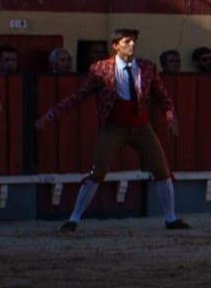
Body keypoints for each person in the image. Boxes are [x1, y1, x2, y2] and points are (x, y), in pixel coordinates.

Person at [38, 29, 187, 233]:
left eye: (134, 41)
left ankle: (171, 219)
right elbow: (78, 96)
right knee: (98, 171)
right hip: (113, 126)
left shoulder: (147, 67)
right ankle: (73, 219)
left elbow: (163, 97)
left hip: (141, 125)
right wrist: (53, 114)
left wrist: (171, 117)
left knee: (162, 170)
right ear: (115, 46)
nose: (132, 45)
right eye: (127, 41)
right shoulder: (100, 69)